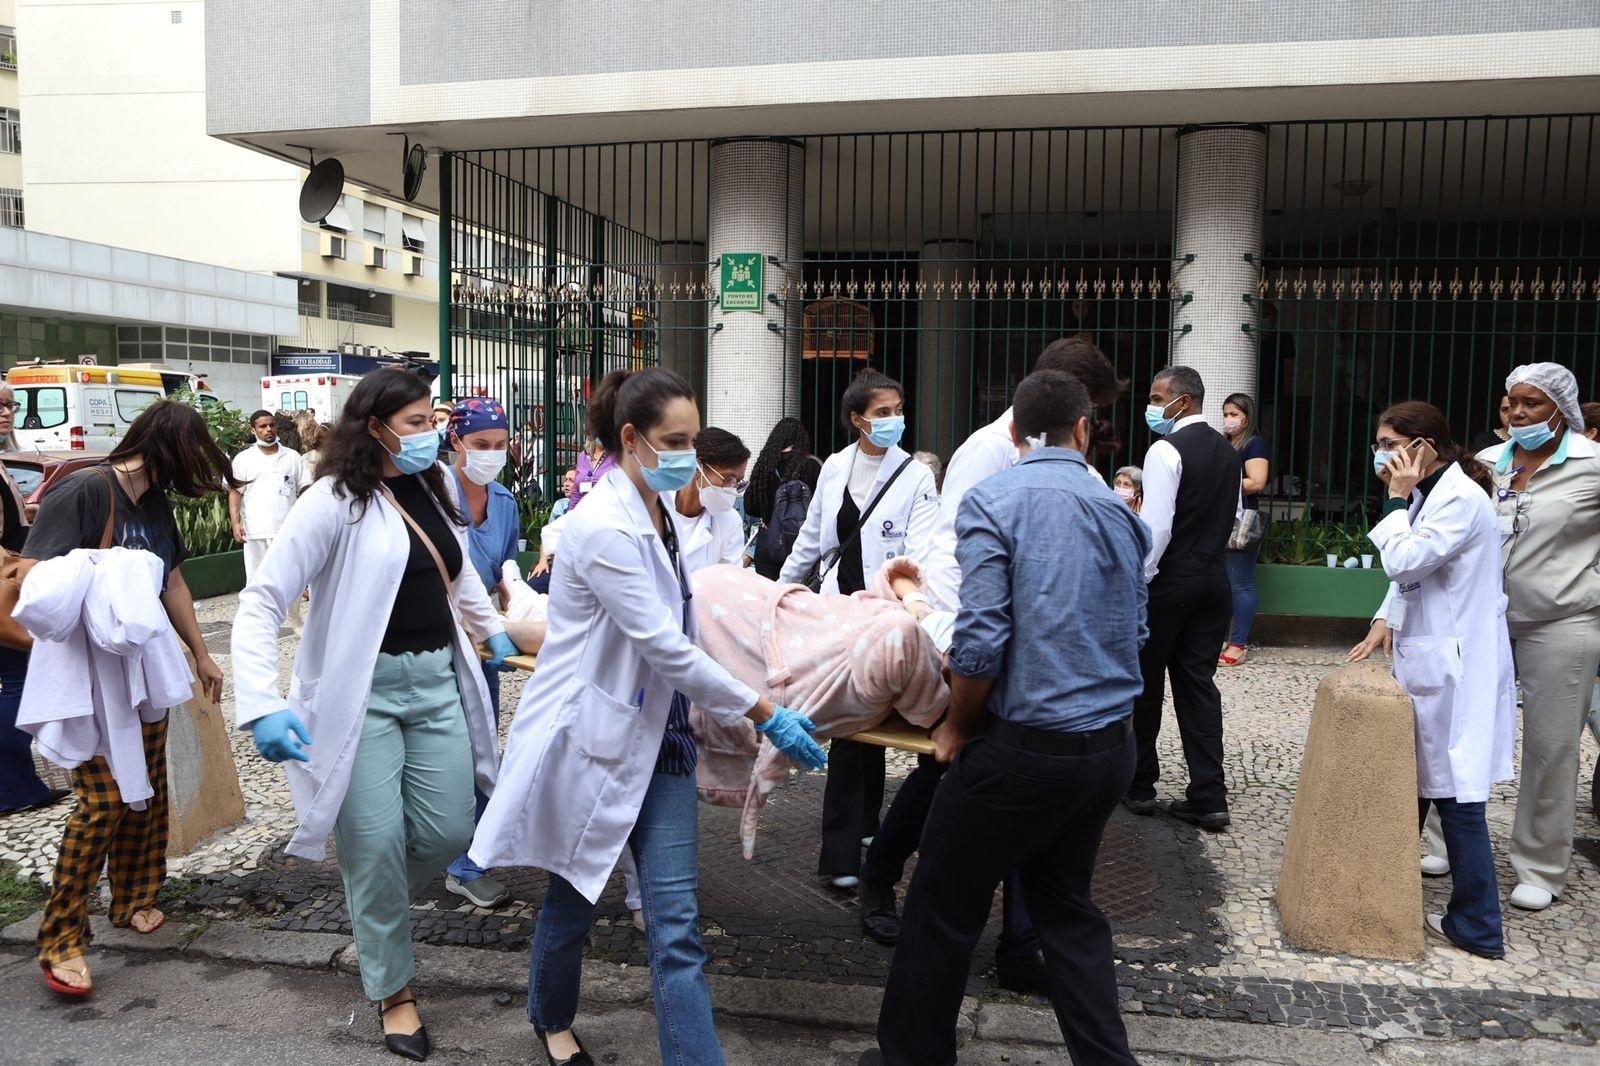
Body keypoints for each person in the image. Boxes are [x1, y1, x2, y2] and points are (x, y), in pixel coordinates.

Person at [469, 367, 827, 1066]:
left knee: (675, 925)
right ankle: (550, 1016)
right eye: (675, 440)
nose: (688, 455)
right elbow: (663, 645)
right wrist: (763, 712)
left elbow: (699, 620)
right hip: (591, 738)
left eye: (693, 439)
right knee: (572, 901)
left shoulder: (663, 510)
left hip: (661, 741)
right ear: (631, 439)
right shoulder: (603, 526)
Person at [861, 369, 1147, 1066]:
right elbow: (1135, 633)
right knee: (1068, 912)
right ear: (1084, 431)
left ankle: (910, 1059)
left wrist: (955, 726)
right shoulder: (1121, 515)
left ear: (1015, 434)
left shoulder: (994, 499)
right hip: (1107, 750)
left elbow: (982, 643)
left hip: (1021, 752)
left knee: (941, 905)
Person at [232, 370, 520, 1061]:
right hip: (359, 697)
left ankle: (372, 898)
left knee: (451, 827)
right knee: (376, 842)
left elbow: (460, 573)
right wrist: (260, 703)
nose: (433, 434)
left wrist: (492, 630)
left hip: (437, 684)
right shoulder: (332, 501)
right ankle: (394, 991)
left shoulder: (435, 486)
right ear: (375, 426)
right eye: (419, 422)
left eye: (432, 421)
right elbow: (263, 600)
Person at [25, 401, 233, 997]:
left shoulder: (155, 500)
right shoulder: (86, 492)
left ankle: (135, 896)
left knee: (147, 787)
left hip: (142, 673)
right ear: (166, 447)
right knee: (104, 800)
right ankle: (60, 935)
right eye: (192, 456)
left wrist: (201, 653)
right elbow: (34, 579)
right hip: (88, 678)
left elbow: (171, 580)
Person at [1350, 400, 1512, 959]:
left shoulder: (1460, 500)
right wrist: (1382, 620)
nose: (1382, 453)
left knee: (1455, 792)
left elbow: (1408, 561)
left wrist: (1394, 502)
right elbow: (1414, 579)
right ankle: (1377, 887)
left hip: (1454, 666)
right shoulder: (1434, 495)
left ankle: (1478, 924)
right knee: (1417, 781)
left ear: (1424, 447)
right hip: (1434, 658)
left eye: (1390, 442)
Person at [780, 368, 939, 890]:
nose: (894, 420)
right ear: (857, 419)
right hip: (836, 614)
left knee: (863, 723)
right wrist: (778, 592)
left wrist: (909, 603)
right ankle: (850, 845)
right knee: (853, 727)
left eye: (898, 410)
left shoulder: (915, 476)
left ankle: (851, 846)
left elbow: (919, 554)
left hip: (883, 616)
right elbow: (810, 537)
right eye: (882, 413)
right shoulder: (834, 468)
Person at [1476, 363, 1600, 912]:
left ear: (1560, 408)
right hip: (1483, 618)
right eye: (1512, 403)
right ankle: (1448, 842)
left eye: (1532, 403)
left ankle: (1541, 863)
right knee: (1467, 731)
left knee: (1552, 745)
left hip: (1563, 620)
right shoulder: (1485, 465)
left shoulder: (1593, 465)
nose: (1520, 413)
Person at [1125, 366, 1241, 830]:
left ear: (1185, 401)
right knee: (1198, 686)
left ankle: (1139, 784)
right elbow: (1232, 516)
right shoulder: (1228, 452)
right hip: (1215, 579)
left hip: (1170, 579)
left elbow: (1156, 527)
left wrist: (1142, 579)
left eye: (1157, 397)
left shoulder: (1165, 449)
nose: (1152, 406)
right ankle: (1209, 796)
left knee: (1146, 683)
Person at [433, 396, 522, 911]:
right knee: (447, 749)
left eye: (500, 445)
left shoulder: (505, 503)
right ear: (456, 443)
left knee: (483, 742)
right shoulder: (433, 495)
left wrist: (515, 604)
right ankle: (452, 857)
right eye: (482, 445)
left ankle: (471, 857)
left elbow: (503, 569)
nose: (492, 454)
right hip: (436, 634)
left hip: (484, 639)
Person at [0, 382, 63, 815]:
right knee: (15, 685)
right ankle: (15, 790)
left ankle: (21, 784)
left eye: (9, 405)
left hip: (9, 581)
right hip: (3, 589)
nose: (6, 412)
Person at [229, 410, 306, 629]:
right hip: (256, 529)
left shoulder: (292, 457)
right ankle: (257, 622)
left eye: (271, 425)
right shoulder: (244, 459)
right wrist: (236, 523)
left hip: (286, 530)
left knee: (291, 577)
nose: (268, 430)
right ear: (253, 430)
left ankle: (293, 620)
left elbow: (305, 488)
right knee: (256, 579)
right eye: (262, 427)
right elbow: (235, 493)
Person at [1220, 393, 1271, 667]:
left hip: (1242, 521)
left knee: (1240, 582)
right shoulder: (1226, 443)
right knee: (1223, 583)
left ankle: (1238, 643)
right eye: (1226, 414)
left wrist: (1220, 482)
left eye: (1234, 415)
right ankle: (1224, 637)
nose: (1229, 420)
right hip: (1221, 518)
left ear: (1247, 418)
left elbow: (1257, 481)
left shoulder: (1254, 444)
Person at [746, 416, 823, 579]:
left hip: (768, 544)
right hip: (802, 545)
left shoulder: (764, 467)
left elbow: (750, 506)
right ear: (802, 439)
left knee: (768, 599)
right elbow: (823, 507)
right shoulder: (812, 466)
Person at [570, 433, 616, 511]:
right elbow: (576, 493)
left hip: (607, 514)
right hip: (583, 515)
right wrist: (570, 515)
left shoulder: (617, 457)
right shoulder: (582, 457)